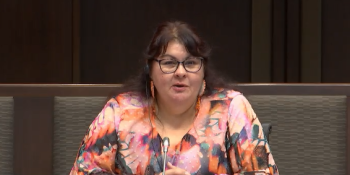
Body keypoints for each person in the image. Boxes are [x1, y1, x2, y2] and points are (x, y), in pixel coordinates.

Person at [69, 21, 279, 175]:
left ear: (203, 71)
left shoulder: (231, 108)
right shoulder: (120, 111)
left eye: (190, 63)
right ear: (150, 70)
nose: (181, 72)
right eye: (169, 63)